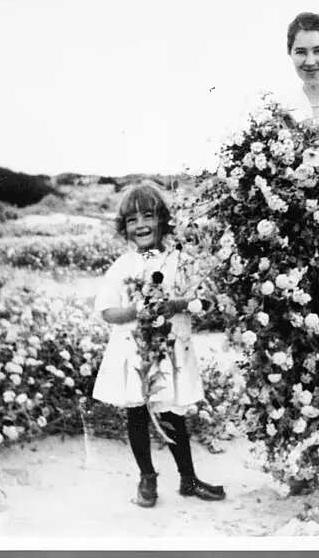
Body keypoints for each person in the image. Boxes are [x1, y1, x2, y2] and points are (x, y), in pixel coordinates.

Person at [92, 183, 225, 507]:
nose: (141, 225)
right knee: (137, 413)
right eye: (132, 220)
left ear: (162, 220)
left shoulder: (180, 261)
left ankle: (188, 479)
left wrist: (177, 305)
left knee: (174, 413)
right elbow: (107, 311)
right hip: (134, 352)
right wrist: (135, 311)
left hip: (172, 350)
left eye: (148, 216)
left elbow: (205, 302)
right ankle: (147, 480)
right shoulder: (122, 266)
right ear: (124, 228)